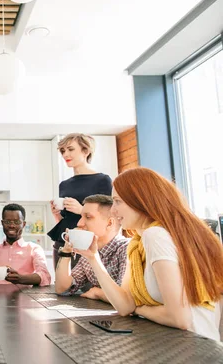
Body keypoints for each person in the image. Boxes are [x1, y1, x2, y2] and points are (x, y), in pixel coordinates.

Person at [73, 167, 223, 340]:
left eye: (118, 202)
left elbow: (179, 318)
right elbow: (125, 306)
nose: (113, 211)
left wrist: (140, 308)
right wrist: (93, 258)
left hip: (192, 346)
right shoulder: (138, 244)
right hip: (172, 342)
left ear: (141, 201)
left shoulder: (156, 236)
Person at [47, 133, 112, 270]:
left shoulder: (103, 180)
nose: (65, 155)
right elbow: (67, 219)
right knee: (62, 287)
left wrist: (82, 210)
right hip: (64, 243)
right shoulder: (64, 184)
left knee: (87, 288)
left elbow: (109, 218)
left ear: (86, 151)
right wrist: (57, 216)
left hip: (88, 245)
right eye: (63, 151)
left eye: (70, 149)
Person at [54, 195, 128, 302]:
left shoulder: (126, 249)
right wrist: (66, 251)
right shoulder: (88, 253)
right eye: (81, 217)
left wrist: (97, 293)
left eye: (88, 217)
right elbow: (63, 289)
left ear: (109, 223)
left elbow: (127, 297)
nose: (79, 223)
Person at [0, 203, 51, 287]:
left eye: (17, 222)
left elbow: (45, 276)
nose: (12, 226)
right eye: (7, 222)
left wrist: (21, 279)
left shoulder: (34, 249)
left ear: (23, 224)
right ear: (2, 223)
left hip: (25, 297)